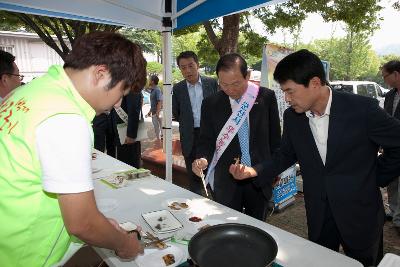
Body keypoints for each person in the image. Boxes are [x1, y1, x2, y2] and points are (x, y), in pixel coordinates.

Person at [229, 49, 400, 266]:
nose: (287, 99)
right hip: (319, 211)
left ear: (315, 83)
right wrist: (254, 171)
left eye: (290, 91)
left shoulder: (362, 110)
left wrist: (375, 177)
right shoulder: (293, 117)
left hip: (360, 211)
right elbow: (285, 154)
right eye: (284, 92)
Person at [0, 32, 147, 266]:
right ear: (100, 74)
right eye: (121, 92)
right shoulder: (66, 118)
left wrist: (100, 224)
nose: (118, 103)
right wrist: (124, 243)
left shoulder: (28, 92)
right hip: (24, 255)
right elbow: (82, 223)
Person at [192, 53, 281, 220]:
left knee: (257, 227)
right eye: (224, 84)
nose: (230, 90)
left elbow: (275, 139)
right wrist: (202, 159)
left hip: (258, 175)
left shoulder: (265, 97)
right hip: (226, 179)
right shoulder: (211, 103)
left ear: (247, 76)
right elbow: (206, 140)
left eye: (236, 83)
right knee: (228, 224)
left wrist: (273, 171)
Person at [172, 51, 218, 195]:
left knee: (212, 170)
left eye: (190, 66)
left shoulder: (211, 83)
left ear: (197, 65)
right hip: (189, 135)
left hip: (210, 134)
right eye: (183, 67)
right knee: (193, 175)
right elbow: (176, 112)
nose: (187, 70)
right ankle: (196, 203)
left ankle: (217, 201)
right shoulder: (178, 89)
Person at [381, 60, 400, 235]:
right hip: (391, 149)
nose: (384, 79)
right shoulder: (389, 96)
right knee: (392, 184)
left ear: (396, 74)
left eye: (385, 76)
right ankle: (394, 213)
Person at [115, 91, 143, 168]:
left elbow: (134, 111)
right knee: (123, 160)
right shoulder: (123, 84)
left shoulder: (132, 86)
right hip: (120, 130)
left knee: (130, 162)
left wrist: (131, 135)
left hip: (128, 133)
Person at [146, 75, 163, 142]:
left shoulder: (157, 90)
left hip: (157, 112)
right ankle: (158, 140)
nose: (149, 81)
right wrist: (150, 111)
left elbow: (159, 101)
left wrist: (157, 112)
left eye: (150, 80)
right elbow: (153, 102)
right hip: (154, 112)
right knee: (156, 127)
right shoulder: (153, 90)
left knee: (160, 127)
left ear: (152, 81)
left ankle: (160, 140)